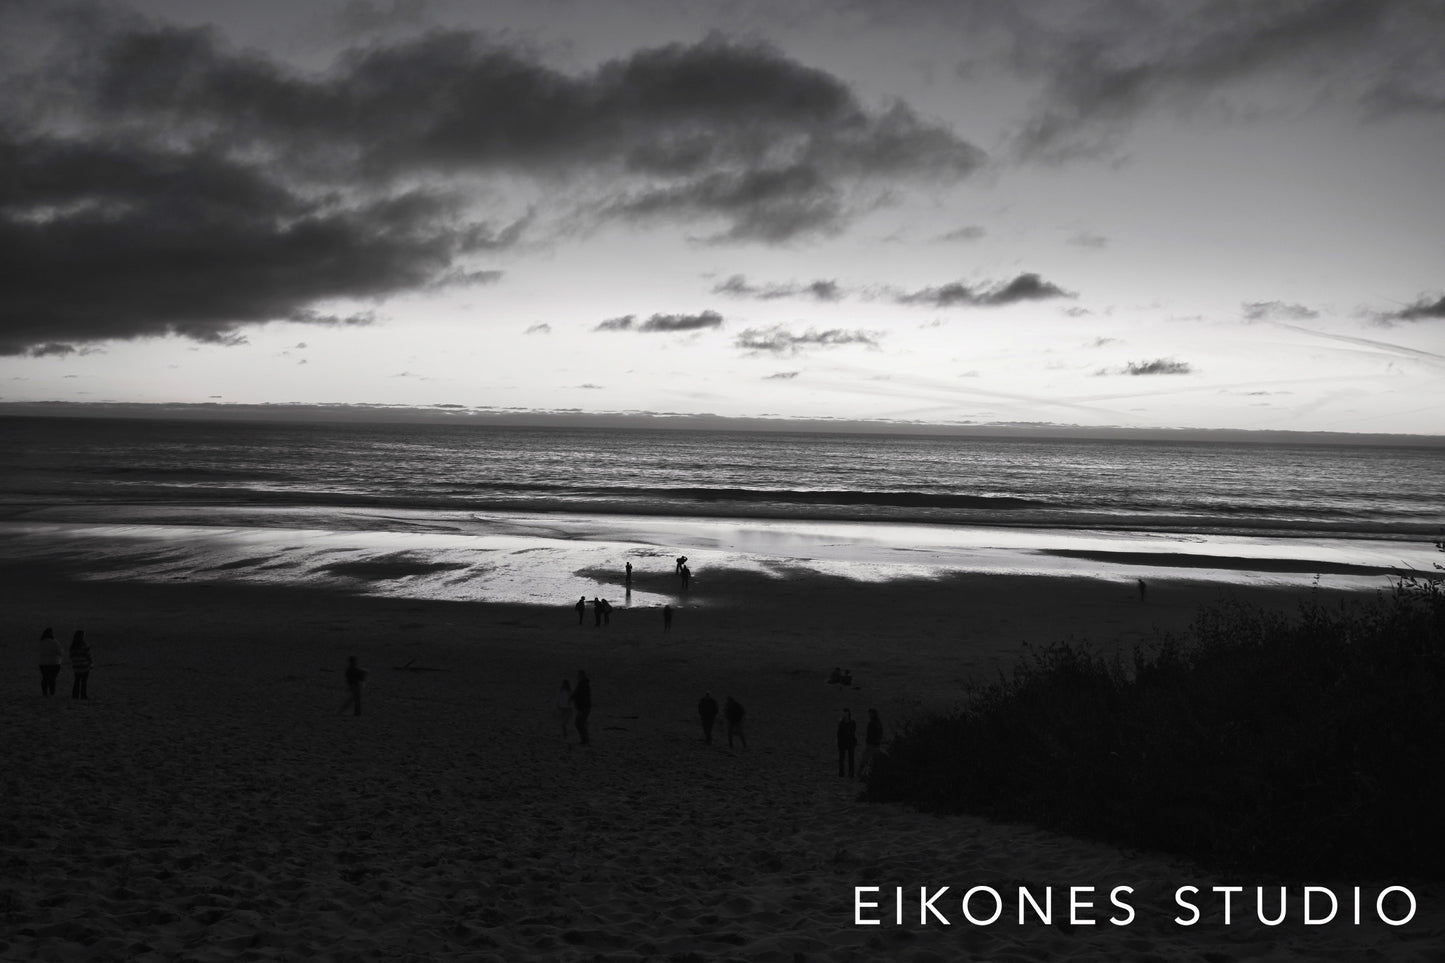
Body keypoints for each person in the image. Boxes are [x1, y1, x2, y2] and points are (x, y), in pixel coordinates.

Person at [858, 708, 884, 778]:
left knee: (865, 758)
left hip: (871, 744)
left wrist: (869, 741)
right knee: (871, 759)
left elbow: (871, 734)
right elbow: (880, 733)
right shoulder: (878, 722)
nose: (869, 715)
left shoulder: (873, 723)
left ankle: (860, 773)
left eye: (870, 713)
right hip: (875, 744)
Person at [38, 628, 63, 697]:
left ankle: (45, 692)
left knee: (45, 678)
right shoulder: (55, 642)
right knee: (52, 678)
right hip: (54, 663)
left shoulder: (41, 642)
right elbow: (60, 652)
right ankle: (52, 692)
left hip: (43, 663)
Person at [69, 630, 92, 700]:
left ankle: (75, 695)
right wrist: (91, 662)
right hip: (84, 666)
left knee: (77, 681)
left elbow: (71, 656)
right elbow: (88, 655)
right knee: (84, 682)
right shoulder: (84, 645)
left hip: (76, 666)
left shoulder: (73, 646)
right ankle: (83, 695)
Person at [573, 670, 593, 746]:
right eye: (578, 675)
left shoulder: (583, 685)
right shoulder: (581, 684)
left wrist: (581, 707)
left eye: (580, 675)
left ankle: (585, 740)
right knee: (579, 723)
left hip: (584, 707)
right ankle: (584, 740)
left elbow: (583, 697)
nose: (579, 677)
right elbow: (576, 694)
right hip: (582, 707)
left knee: (579, 723)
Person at [837, 708, 858, 778]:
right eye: (844, 713)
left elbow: (853, 732)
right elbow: (839, 733)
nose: (845, 714)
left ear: (849, 713)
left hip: (850, 742)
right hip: (843, 742)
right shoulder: (841, 723)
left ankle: (851, 773)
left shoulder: (852, 722)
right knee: (841, 759)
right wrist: (839, 742)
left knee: (851, 759)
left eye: (846, 713)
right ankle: (841, 773)